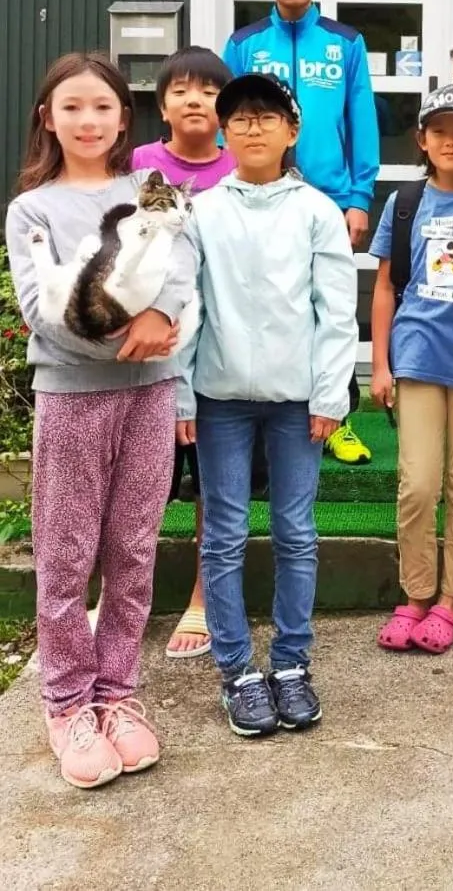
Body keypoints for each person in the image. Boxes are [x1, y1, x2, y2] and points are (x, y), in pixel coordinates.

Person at [5, 53, 196, 789]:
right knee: (66, 552)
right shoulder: (34, 208)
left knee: (133, 550)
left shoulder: (151, 190)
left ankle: (117, 694)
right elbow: (38, 306)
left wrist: (158, 316)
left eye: (103, 107)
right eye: (73, 107)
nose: (88, 120)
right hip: (74, 395)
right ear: (47, 118)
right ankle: (65, 705)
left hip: (151, 393)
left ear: (125, 117)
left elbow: (181, 269)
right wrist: (125, 336)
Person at [177, 71, 358, 737]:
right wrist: (178, 393)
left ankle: (290, 663)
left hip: (295, 404)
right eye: (240, 118)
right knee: (221, 536)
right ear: (224, 133)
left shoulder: (314, 210)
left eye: (266, 117)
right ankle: (237, 672)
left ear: (291, 130)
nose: (252, 128)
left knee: (296, 533)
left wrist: (330, 393)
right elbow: (184, 307)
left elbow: (336, 311)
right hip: (219, 400)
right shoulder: (201, 211)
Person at [222, 0, 378, 467]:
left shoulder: (345, 43)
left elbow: (362, 121)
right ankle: (264, 415)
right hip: (260, 198)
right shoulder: (243, 45)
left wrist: (358, 198)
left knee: (330, 307)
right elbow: (231, 124)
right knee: (268, 299)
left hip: (329, 201)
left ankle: (341, 416)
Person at [370, 85, 453, 654]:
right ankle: (417, 592)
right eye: (439, 130)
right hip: (417, 353)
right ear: (421, 139)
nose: (451, 140)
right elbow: (383, 287)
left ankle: (452, 599)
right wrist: (379, 363)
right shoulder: (404, 204)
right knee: (418, 482)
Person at [132, 45, 235, 661]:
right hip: (151, 347)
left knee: (212, 484)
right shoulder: (140, 163)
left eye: (207, 91)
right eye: (180, 90)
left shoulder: (240, 167)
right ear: (162, 104)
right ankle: (123, 596)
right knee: (139, 486)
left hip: (218, 347)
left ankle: (203, 596)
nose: (194, 100)